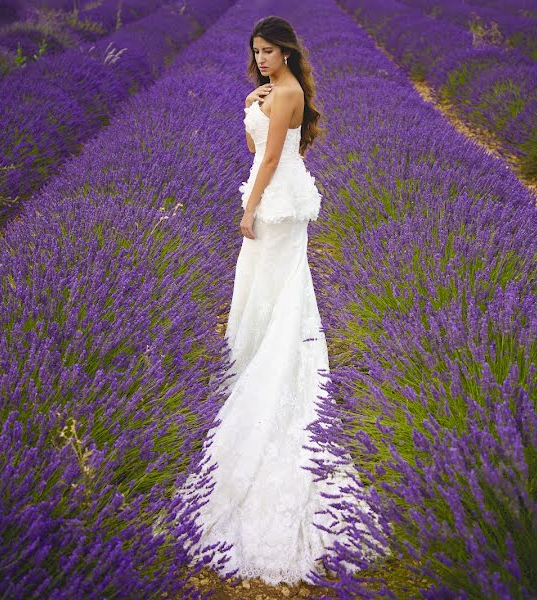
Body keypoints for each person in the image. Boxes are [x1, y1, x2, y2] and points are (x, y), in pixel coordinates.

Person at [176, 16, 376, 586]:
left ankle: (274, 366)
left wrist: (248, 208)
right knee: (261, 288)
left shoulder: (288, 92)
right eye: (256, 51)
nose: (263, 59)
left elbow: (266, 161)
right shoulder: (271, 92)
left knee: (284, 289)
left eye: (270, 51)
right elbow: (256, 143)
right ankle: (258, 355)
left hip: (278, 205)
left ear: (287, 51)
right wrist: (250, 102)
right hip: (272, 197)